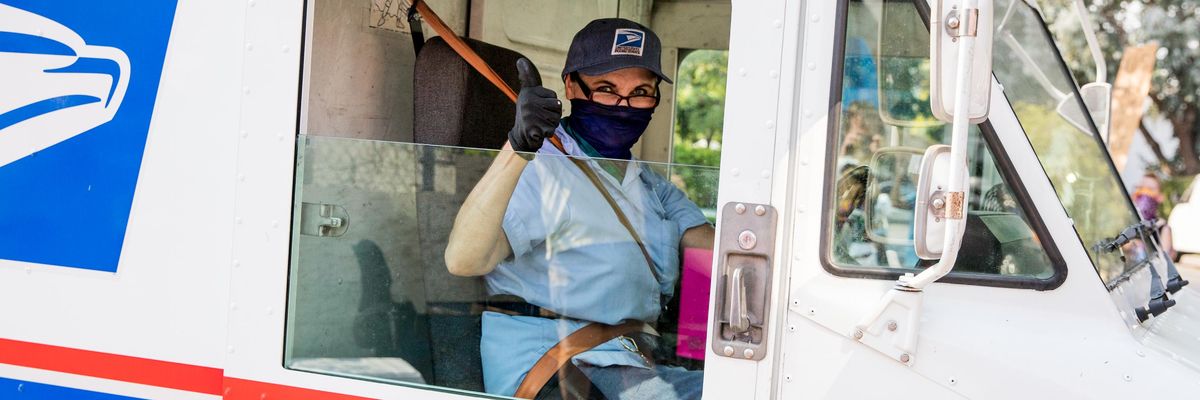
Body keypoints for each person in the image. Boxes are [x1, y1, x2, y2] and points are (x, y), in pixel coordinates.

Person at [443, 18, 714, 400]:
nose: (624, 106)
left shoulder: (649, 184)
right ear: (571, 86)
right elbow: (463, 260)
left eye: (641, 92)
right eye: (606, 89)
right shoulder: (541, 168)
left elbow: (721, 255)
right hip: (556, 365)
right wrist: (517, 146)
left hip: (626, 360)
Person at [1133, 172, 1175, 260]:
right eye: (1143, 188)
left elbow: (1165, 261)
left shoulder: (1162, 228)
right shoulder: (1129, 225)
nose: (1146, 194)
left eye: (1151, 189)